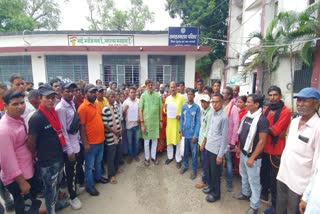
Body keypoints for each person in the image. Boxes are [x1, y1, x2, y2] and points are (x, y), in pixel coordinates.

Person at [276, 87, 320, 214]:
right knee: (280, 210)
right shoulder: (294, 122)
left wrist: (308, 194)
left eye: (305, 101)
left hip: (299, 185)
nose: (300, 104)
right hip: (283, 176)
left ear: (316, 103)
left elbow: (317, 164)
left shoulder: (317, 127)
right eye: (299, 100)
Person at [0, 90, 42, 214]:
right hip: (17, 179)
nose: (20, 107)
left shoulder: (19, 120)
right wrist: (22, 182)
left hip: (27, 171)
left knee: (31, 206)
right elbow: (8, 161)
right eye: (15, 104)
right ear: (5, 106)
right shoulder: (4, 130)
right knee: (23, 208)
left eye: (22, 103)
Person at [27, 84, 67, 213]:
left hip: (58, 157)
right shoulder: (36, 118)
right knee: (49, 191)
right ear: (40, 98)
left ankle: (56, 206)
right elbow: (31, 143)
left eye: (52, 97)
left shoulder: (53, 113)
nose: (51, 100)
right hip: (46, 162)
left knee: (56, 186)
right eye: (47, 98)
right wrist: (38, 156)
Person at [234, 94, 269, 214]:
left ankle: (254, 206)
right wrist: (239, 148)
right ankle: (245, 193)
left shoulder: (262, 120)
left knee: (254, 182)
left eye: (249, 102)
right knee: (244, 175)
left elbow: (262, 142)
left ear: (256, 104)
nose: (246, 104)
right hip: (243, 153)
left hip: (253, 157)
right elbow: (241, 134)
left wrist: (252, 158)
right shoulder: (247, 116)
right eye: (247, 102)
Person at [260, 86, 291, 213]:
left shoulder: (286, 111)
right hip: (264, 147)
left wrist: (262, 128)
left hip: (276, 150)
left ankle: (275, 207)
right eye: (270, 95)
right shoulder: (267, 109)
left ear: (280, 95)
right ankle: (264, 195)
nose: (272, 98)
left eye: (275, 95)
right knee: (264, 174)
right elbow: (264, 125)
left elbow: (275, 130)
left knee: (274, 181)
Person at [55, 81, 84, 210]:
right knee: (70, 171)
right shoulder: (60, 108)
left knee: (77, 167)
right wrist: (69, 149)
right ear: (61, 92)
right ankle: (72, 197)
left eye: (72, 91)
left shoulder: (71, 103)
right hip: (69, 145)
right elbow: (62, 130)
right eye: (67, 91)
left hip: (76, 140)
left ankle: (75, 189)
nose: (71, 93)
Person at [77, 84, 109, 197]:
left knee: (99, 162)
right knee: (89, 166)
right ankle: (89, 186)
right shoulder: (82, 108)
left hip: (100, 140)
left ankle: (98, 178)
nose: (94, 94)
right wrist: (85, 143)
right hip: (90, 143)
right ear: (85, 94)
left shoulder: (96, 104)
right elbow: (82, 127)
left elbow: (99, 119)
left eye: (94, 92)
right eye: (91, 92)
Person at [202, 93, 229, 203]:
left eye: (217, 102)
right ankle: (211, 187)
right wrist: (205, 143)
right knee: (208, 171)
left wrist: (220, 155)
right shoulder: (213, 113)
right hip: (209, 147)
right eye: (213, 102)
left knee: (216, 173)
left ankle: (216, 194)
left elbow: (224, 138)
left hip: (216, 151)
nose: (214, 104)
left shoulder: (224, 118)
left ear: (222, 102)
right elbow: (209, 130)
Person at [139, 79, 163, 166]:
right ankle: (147, 158)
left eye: (151, 84)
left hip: (155, 123)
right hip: (146, 123)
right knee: (146, 142)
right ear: (145, 86)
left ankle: (153, 157)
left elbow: (160, 109)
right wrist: (142, 123)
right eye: (148, 85)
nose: (150, 86)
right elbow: (140, 110)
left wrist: (161, 120)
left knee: (154, 141)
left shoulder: (157, 96)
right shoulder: (143, 96)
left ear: (153, 85)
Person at [180, 88, 201, 180]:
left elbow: (198, 122)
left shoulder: (196, 108)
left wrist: (196, 135)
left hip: (192, 135)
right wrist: (181, 131)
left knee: (194, 153)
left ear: (194, 96)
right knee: (185, 151)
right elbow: (181, 119)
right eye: (188, 94)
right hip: (185, 134)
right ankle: (185, 165)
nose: (189, 96)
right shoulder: (184, 106)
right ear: (186, 95)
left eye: (191, 94)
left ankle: (194, 169)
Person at [102, 92, 122, 184]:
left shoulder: (115, 107)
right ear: (107, 98)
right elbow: (105, 125)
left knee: (117, 154)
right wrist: (114, 132)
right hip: (111, 137)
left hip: (118, 135)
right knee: (111, 156)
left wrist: (121, 128)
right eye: (111, 97)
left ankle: (116, 169)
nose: (113, 98)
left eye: (114, 97)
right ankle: (111, 175)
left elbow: (118, 118)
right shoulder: (105, 109)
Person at [164, 81, 186, 168]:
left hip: (178, 123)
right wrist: (165, 109)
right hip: (170, 123)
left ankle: (178, 159)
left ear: (177, 88)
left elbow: (184, 110)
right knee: (169, 141)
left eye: (174, 87)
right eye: (171, 87)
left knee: (178, 141)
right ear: (169, 89)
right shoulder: (167, 98)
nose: (173, 89)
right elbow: (165, 111)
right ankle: (170, 157)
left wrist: (180, 115)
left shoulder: (181, 98)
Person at [222, 86, 239, 192]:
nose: (222, 94)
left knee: (228, 162)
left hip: (228, 140)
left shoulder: (233, 108)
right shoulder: (221, 105)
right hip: (220, 139)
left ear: (228, 96)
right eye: (222, 93)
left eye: (224, 93)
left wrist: (233, 141)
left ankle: (229, 182)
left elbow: (236, 126)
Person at [194, 94, 213, 189]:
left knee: (205, 162)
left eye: (204, 102)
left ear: (209, 103)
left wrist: (203, 143)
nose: (202, 103)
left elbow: (208, 129)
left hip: (205, 142)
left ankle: (204, 181)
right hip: (201, 140)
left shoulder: (210, 113)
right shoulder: (204, 111)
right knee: (204, 161)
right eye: (201, 101)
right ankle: (205, 178)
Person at [123, 87, 140, 163]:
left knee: (136, 141)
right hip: (129, 126)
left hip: (136, 125)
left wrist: (139, 118)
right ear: (128, 93)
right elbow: (123, 115)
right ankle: (130, 155)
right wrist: (125, 110)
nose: (133, 94)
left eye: (134, 92)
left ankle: (135, 155)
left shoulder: (138, 101)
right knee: (130, 142)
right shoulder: (125, 102)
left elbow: (140, 112)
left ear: (136, 93)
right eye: (131, 92)